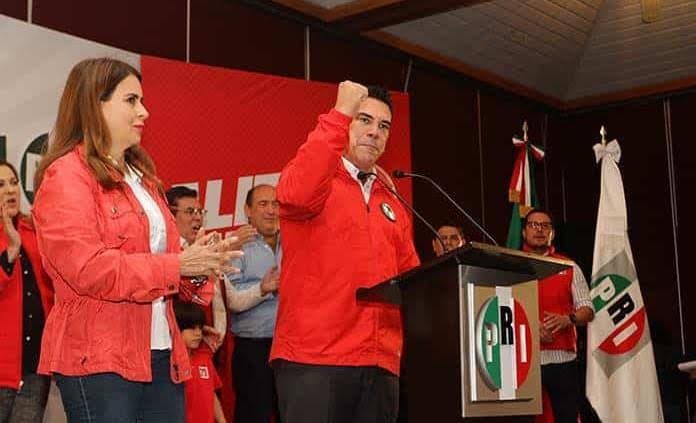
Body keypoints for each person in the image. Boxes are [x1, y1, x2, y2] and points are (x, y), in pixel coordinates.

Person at [31, 57, 240, 422]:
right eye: (131, 100)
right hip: (99, 358)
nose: (144, 111)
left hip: (162, 353)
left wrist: (200, 265)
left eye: (142, 100)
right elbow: (89, 269)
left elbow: (168, 268)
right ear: (95, 104)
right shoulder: (65, 176)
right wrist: (177, 265)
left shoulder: (143, 178)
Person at [271, 81, 420, 423]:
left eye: (384, 126)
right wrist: (339, 113)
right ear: (345, 124)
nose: (374, 132)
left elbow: (411, 281)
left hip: (380, 364)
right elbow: (296, 195)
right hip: (315, 360)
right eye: (364, 120)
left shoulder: (391, 198)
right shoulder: (316, 179)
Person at [521, 209, 594, 423]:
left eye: (545, 226)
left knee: (567, 417)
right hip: (522, 358)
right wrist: (529, 326)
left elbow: (588, 310)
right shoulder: (510, 265)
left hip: (563, 360)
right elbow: (500, 307)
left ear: (552, 233)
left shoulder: (569, 266)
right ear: (524, 232)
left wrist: (568, 319)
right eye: (534, 225)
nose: (539, 230)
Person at [0, 161, 54, 422]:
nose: (10, 190)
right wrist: (10, 253)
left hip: (35, 370)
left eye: (13, 183)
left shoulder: (34, 232)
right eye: (0, 185)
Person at [226, 184, 281, 423]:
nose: (271, 210)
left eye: (276, 204)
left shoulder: (294, 240)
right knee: (253, 416)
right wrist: (262, 289)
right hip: (253, 349)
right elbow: (231, 299)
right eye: (263, 204)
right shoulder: (235, 244)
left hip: (290, 348)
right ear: (248, 210)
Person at [166, 186, 227, 347]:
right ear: (170, 216)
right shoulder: (165, 253)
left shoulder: (206, 250)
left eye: (200, 212)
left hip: (208, 342)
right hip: (175, 345)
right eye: (190, 212)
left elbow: (226, 300)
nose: (198, 217)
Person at [174, 300, 226, 423]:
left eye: (200, 328)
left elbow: (211, 394)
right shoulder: (170, 364)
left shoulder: (204, 358)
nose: (198, 333)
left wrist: (222, 420)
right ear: (176, 328)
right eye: (192, 328)